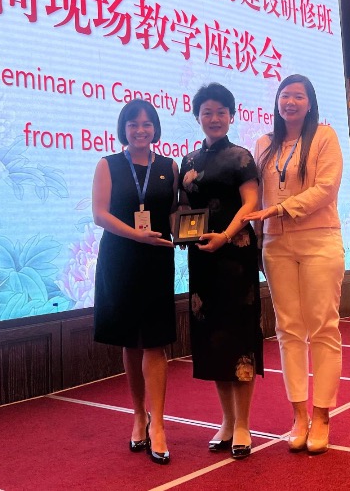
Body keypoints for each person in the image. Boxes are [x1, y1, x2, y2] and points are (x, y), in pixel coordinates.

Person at [243, 74, 344, 455]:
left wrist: (282, 208)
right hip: (276, 243)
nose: (290, 102)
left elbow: (326, 188)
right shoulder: (264, 144)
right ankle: (299, 415)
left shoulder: (324, 137)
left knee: (323, 327)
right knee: (288, 329)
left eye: (298, 96)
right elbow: (256, 196)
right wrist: (256, 235)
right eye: (285, 95)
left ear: (310, 102)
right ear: (277, 102)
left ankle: (322, 415)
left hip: (319, 238)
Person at [92, 99, 178, 466]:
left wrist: (186, 232)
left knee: (155, 342)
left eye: (146, 124)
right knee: (131, 341)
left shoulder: (169, 166)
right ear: (123, 129)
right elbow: (99, 214)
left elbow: (173, 213)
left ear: (155, 128)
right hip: (121, 259)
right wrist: (136, 235)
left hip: (157, 260)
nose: (140, 130)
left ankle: (158, 424)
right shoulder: (108, 164)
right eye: (133, 124)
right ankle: (138, 414)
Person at [179, 83, 262, 460]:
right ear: (197, 117)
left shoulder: (241, 156)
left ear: (231, 115)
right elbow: (184, 209)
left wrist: (225, 236)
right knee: (212, 339)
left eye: (221, 112)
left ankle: (244, 424)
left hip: (235, 257)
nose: (214, 118)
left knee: (239, 338)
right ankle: (227, 422)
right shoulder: (188, 161)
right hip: (203, 260)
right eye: (207, 112)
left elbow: (250, 203)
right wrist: (182, 233)